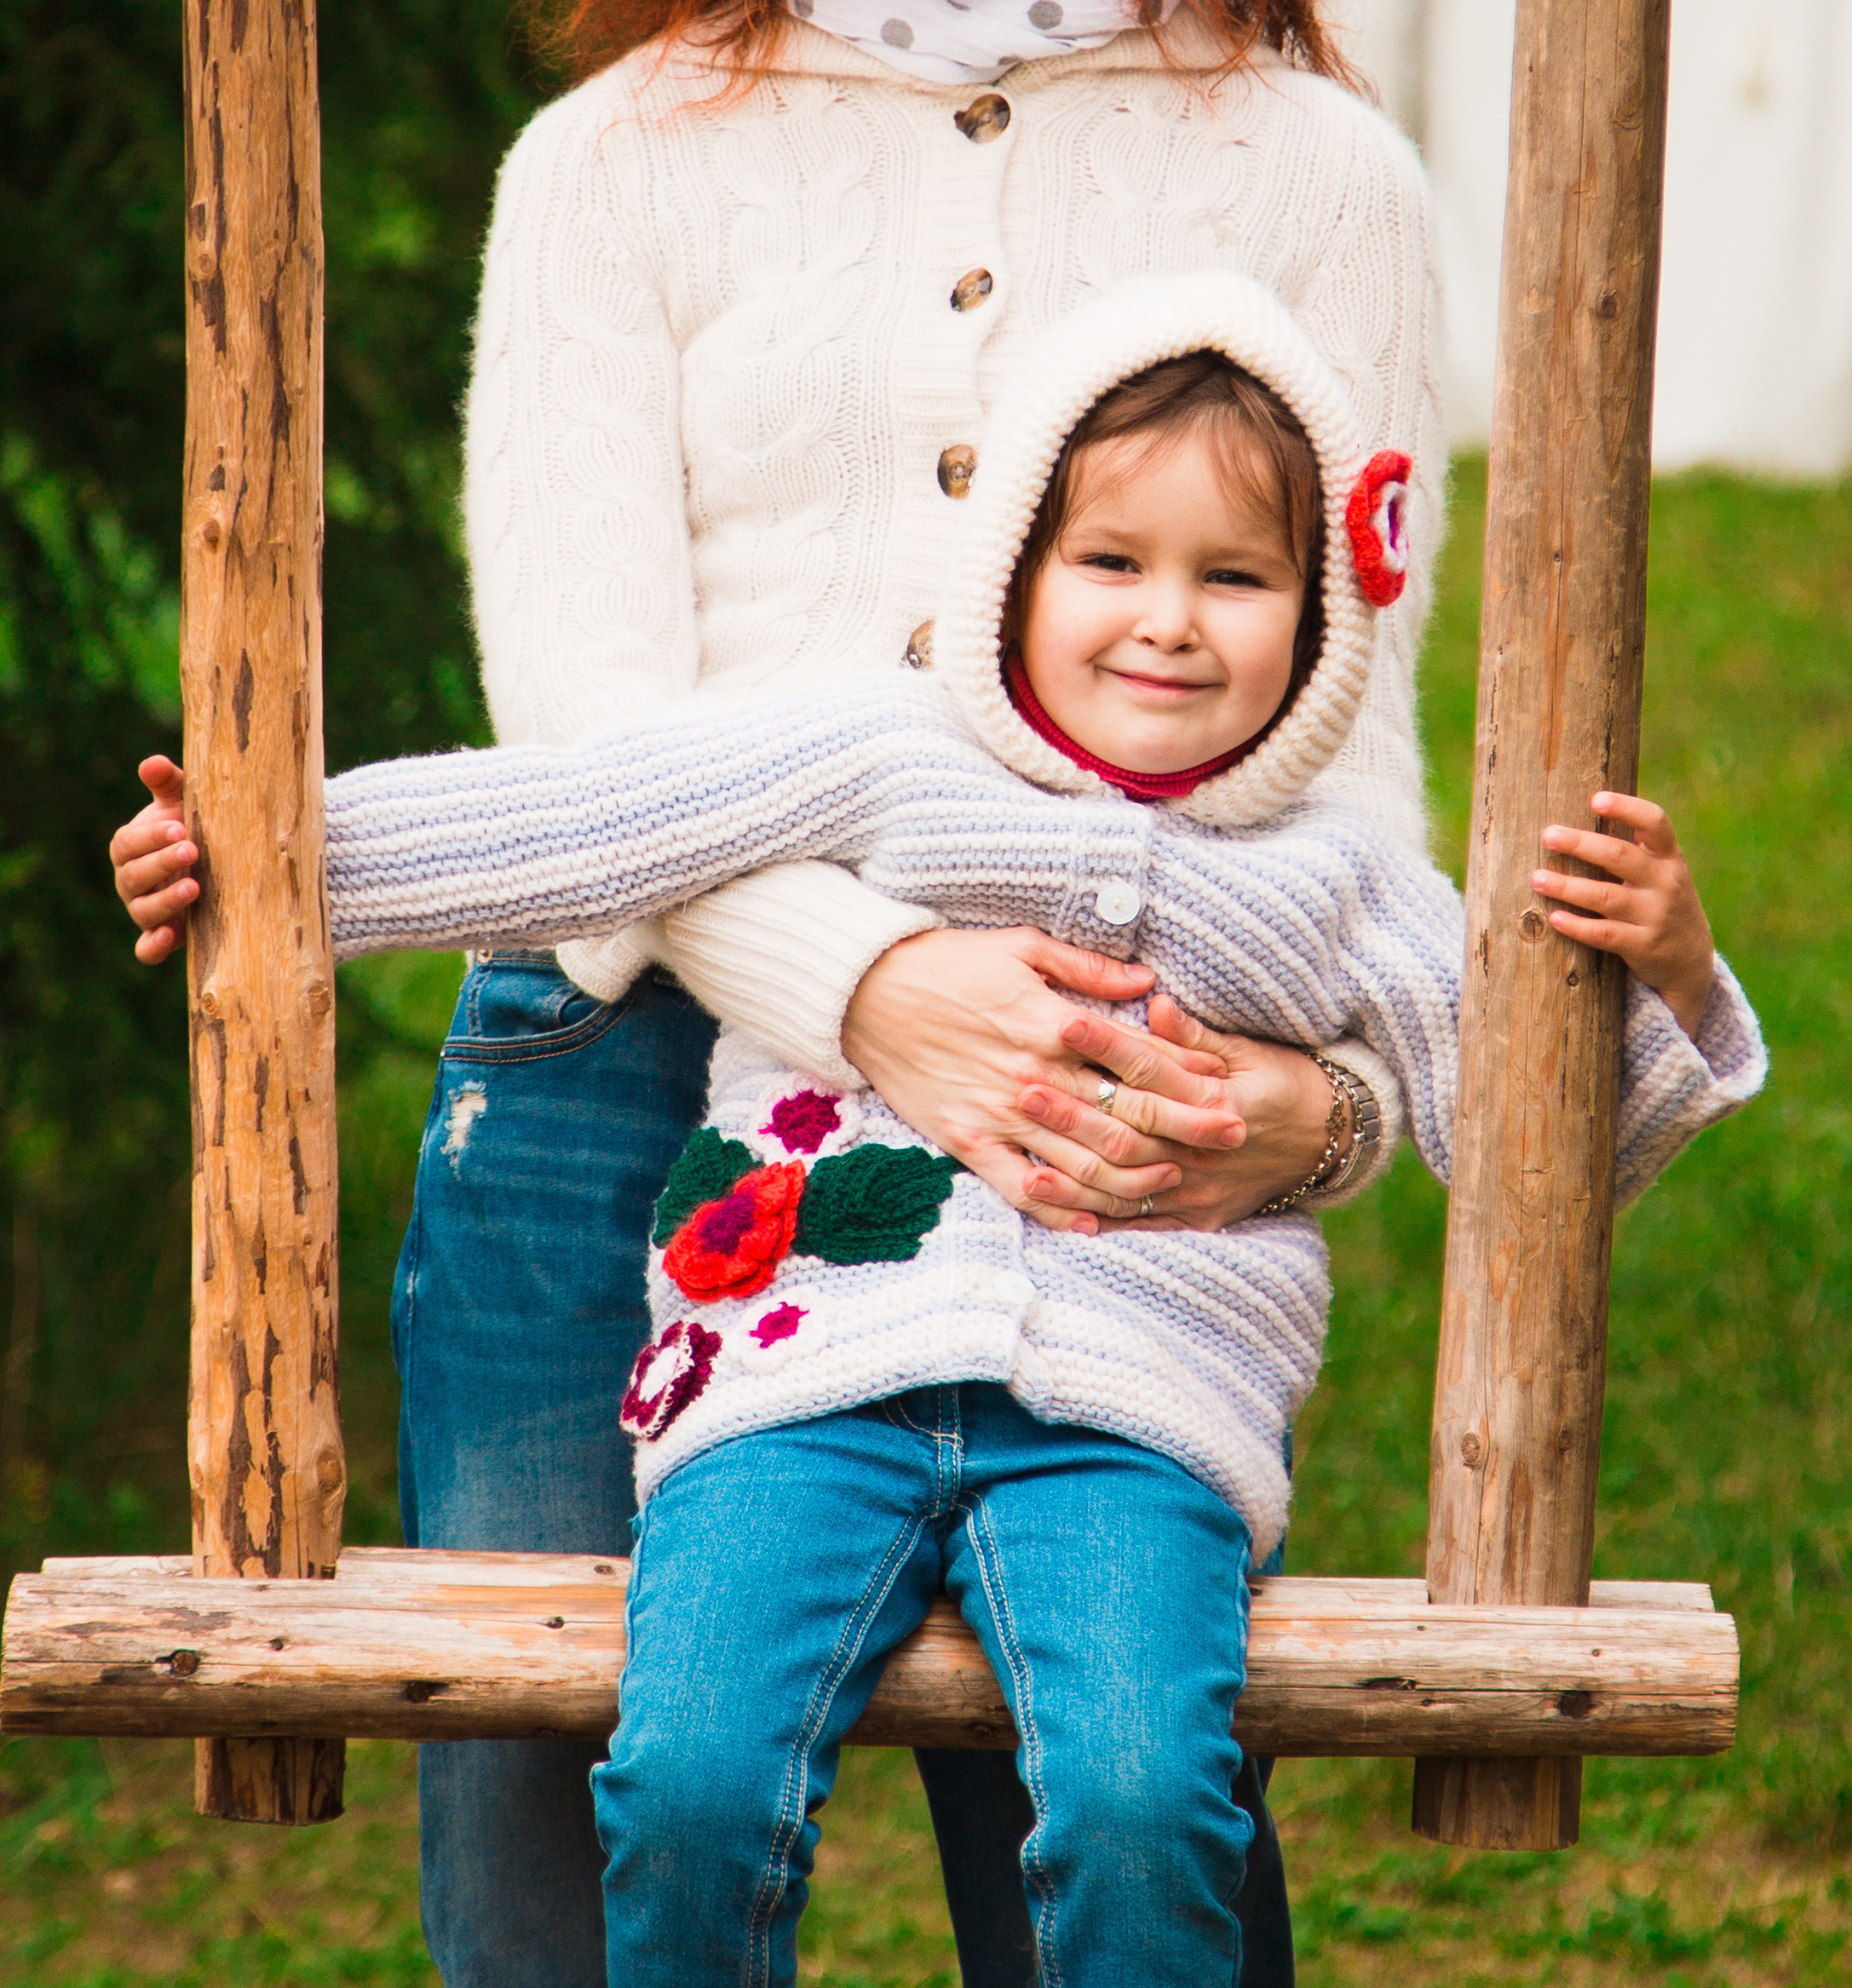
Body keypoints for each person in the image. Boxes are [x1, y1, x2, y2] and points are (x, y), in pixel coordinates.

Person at [113, 0, 1454, 1985]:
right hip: (613, 1075)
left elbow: (1345, 745)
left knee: (1108, 1799)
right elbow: (595, 732)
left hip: (1099, 1089)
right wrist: (871, 983)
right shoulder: (619, 160)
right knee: (567, 1831)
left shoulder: (1310, 164)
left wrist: (1309, 1109)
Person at [118, 273, 1764, 1988]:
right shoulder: (896, 758)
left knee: (1146, 1807)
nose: (1170, 623)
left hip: (1135, 1430)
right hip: (787, 1394)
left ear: (1325, 615)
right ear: (1017, 580)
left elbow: (1550, 1132)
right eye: (1113, 564)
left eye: (1239, 578)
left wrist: (1673, 967)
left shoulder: (1344, 889)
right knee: (685, 1782)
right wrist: (270, 852)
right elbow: (585, 821)